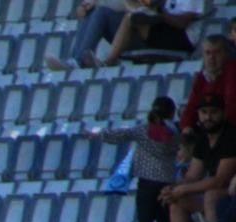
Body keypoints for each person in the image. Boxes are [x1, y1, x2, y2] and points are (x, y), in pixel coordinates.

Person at [87, 96, 181, 222]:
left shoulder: (143, 130)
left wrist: (99, 134)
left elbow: (121, 135)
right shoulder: (175, 132)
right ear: (172, 113)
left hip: (146, 183)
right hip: (167, 183)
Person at [45, 0, 206, 71]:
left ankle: (107, 62)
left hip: (179, 37)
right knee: (98, 10)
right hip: (157, 28)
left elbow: (182, 23)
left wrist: (158, 11)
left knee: (131, 17)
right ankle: (77, 60)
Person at [162, 96, 236, 222]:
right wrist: (174, 188)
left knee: (211, 195)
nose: (208, 117)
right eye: (204, 112)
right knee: (176, 202)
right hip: (214, 190)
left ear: (223, 114)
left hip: (230, 191)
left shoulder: (231, 137)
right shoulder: (203, 139)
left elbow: (220, 180)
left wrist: (184, 189)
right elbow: (192, 176)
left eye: (214, 112)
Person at [178, 33, 236, 131]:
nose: (212, 58)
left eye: (217, 52)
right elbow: (192, 106)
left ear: (226, 54)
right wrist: (186, 126)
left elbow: (231, 107)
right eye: (208, 53)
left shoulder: (232, 69)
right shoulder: (203, 76)